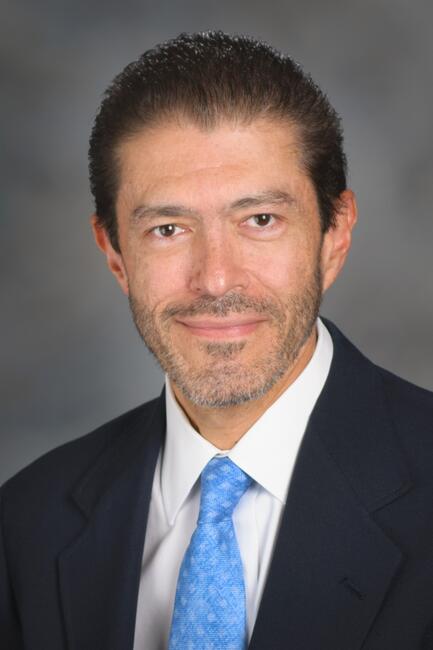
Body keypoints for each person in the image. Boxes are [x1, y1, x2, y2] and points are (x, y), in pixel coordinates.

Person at [1, 30, 433, 650]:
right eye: (168, 228)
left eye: (260, 220)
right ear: (115, 253)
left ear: (334, 237)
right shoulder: (26, 524)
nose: (216, 279)